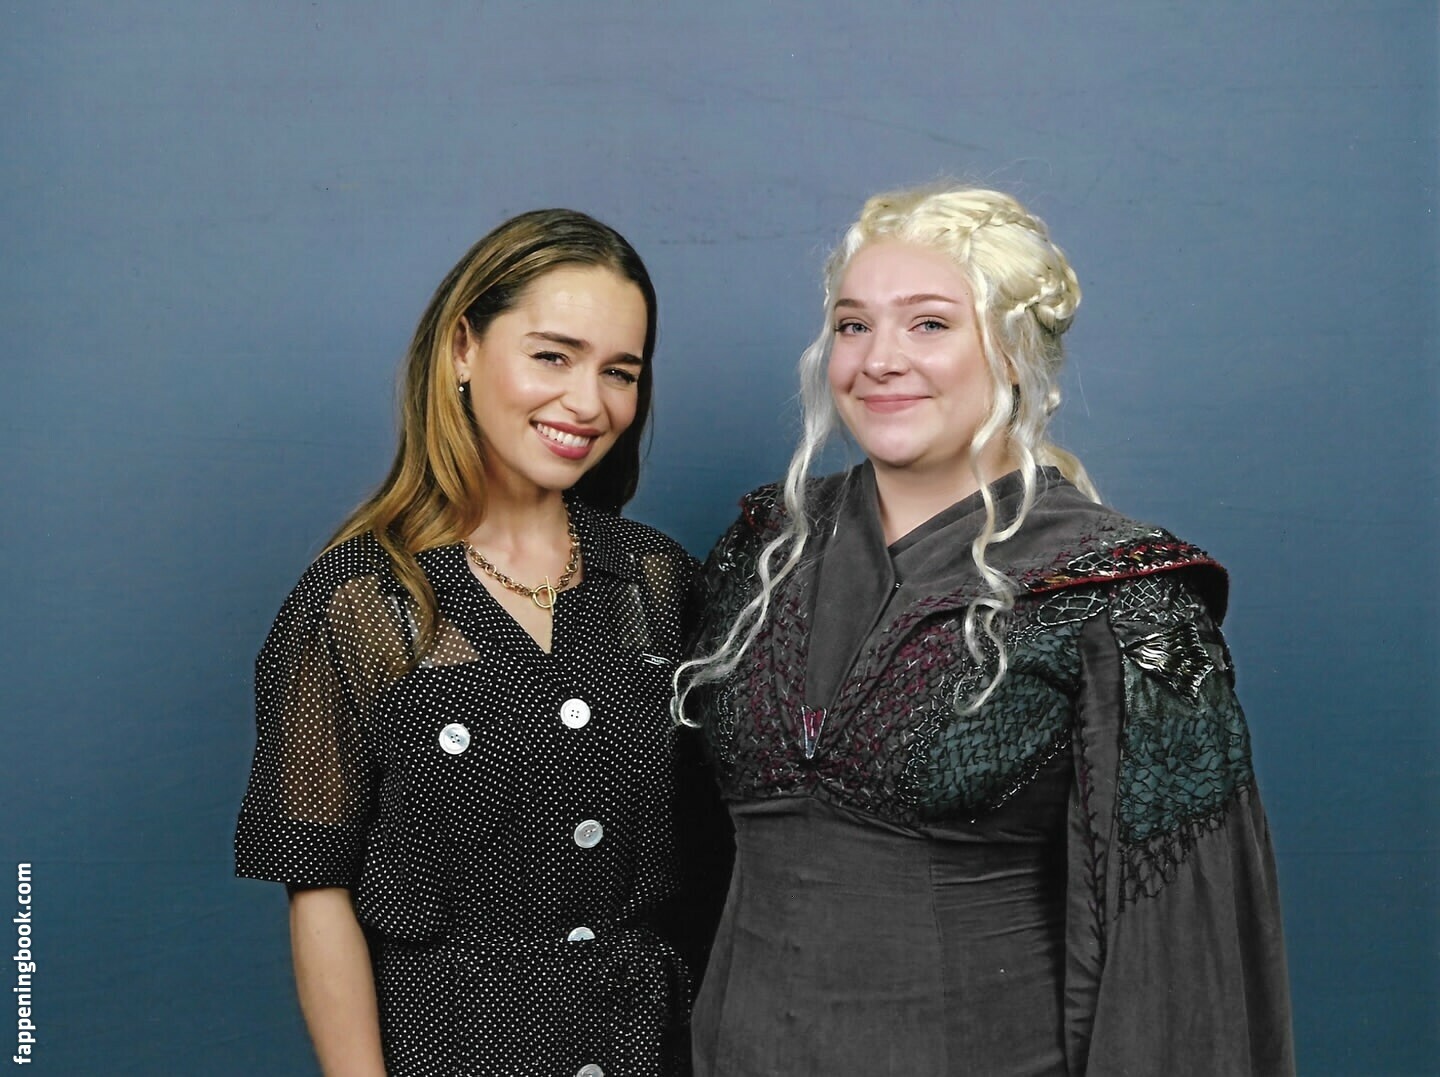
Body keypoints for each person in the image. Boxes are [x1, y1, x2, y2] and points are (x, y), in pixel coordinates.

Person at [676, 185, 1294, 1075]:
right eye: (853, 325)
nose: (879, 359)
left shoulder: (1117, 594)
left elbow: (1180, 954)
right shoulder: (761, 552)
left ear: (1011, 352)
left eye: (928, 324)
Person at [236, 209, 708, 1076]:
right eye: (553, 356)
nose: (589, 402)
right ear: (462, 347)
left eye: (620, 372)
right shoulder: (358, 602)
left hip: (653, 1047)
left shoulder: (657, 581)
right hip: (451, 1047)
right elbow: (319, 889)